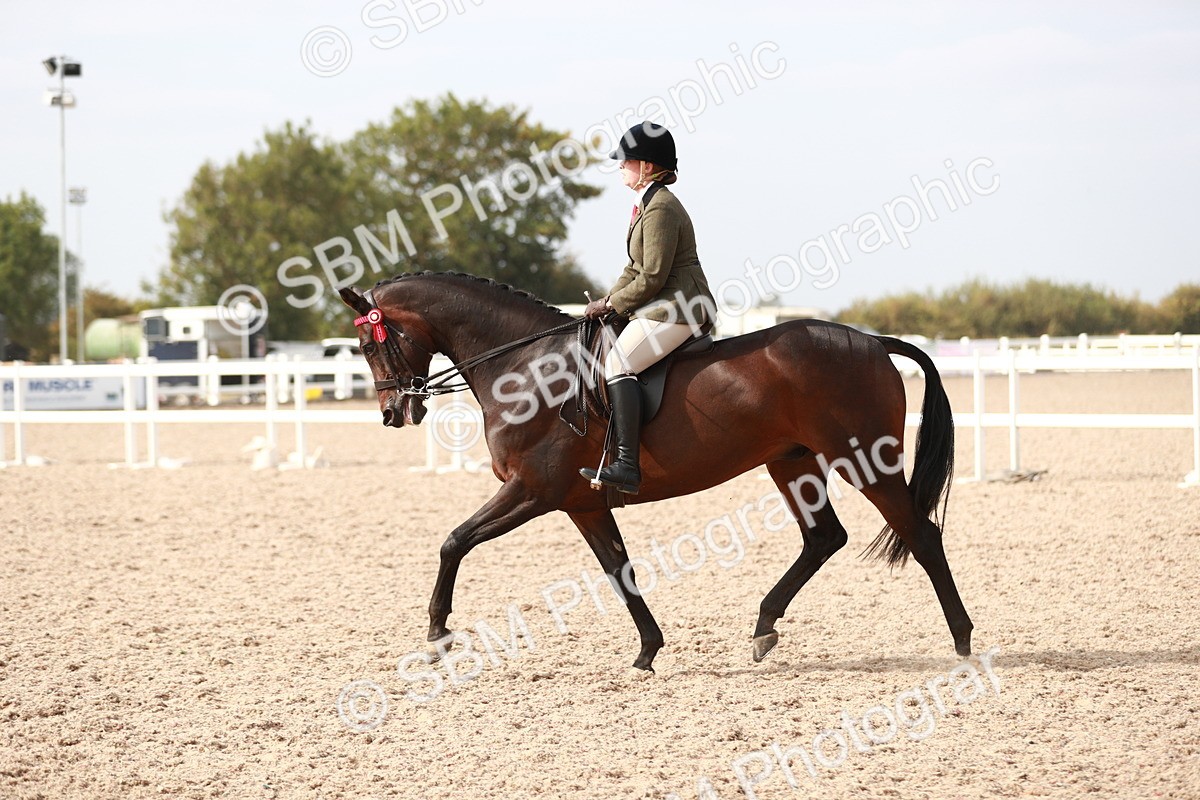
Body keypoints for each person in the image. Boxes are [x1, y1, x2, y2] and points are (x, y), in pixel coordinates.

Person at [580, 121, 716, 495]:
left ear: (648, 167)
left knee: (618, 363)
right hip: (662, 303)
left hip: (679, 307)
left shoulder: (661, 210)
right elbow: (633, 269)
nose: (621, 167)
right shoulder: (647, 204)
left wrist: (613, 304)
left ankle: (626, 464)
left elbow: (653, 276)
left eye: (627, 161)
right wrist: (606, 302)